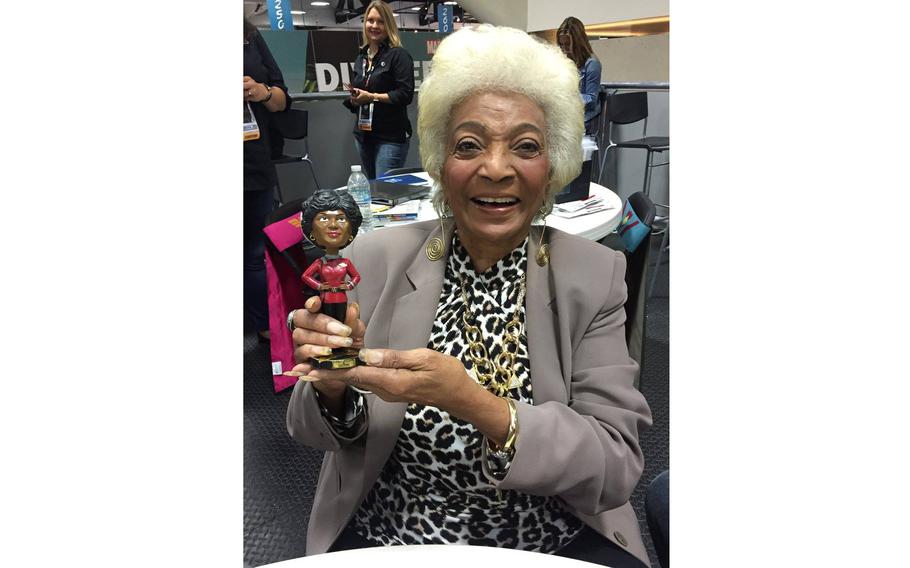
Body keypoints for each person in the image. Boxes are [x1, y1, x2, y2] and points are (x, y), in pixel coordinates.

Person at [286, 25, 652, 568]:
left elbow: (616, 464)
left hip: (548, 541)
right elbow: (306, 429)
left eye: (525, 146)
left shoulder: (594, 275)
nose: (496, 168)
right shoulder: (373, 259)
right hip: (393, 536)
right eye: (469, 144)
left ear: (550, 166)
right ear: (439, 163)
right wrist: (333, 388)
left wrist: (479, 406)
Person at [244, 17, 291, 341]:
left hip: (253, 163)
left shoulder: (248, 36)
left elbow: (282, 100)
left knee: (256, 252)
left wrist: (261, 92)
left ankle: (263, 326)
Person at [342, 0, 415, 179]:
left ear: (389, 25)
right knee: (374, 191)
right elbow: (361, 91)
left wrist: (372, 97)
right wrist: (355, 99)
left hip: (390, 137)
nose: (374, 26)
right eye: (370, 20)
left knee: (386, 192)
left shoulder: (399, 55)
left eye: (380, 21)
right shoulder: (361, 58)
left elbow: (405, 94)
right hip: (363, 135)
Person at [300, 190, 363, 332]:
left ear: (350, 234)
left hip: (341, 298)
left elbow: (357, 276)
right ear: (312, 233)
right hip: (325, 298)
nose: (333, 225)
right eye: (324, 219)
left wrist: (349, 285)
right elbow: (305, 276)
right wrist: (319, 286)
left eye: (341, 219)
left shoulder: (346, 262)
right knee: (327, 327)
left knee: (343, 325)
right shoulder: (320, 263)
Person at [557, 17, 603, 136]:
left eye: (567, 44)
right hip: (566, 117)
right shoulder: (564, 62)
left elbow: (591, 100)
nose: (564, 49)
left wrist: (567, 97)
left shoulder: (592, 64)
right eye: (561, 44)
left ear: (578, 42)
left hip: (584, 120)